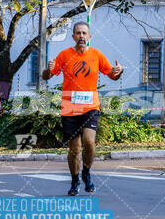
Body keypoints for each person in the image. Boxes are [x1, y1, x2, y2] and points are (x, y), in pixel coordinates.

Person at [43, 21, 123, 196]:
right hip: (69, 108)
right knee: (74, 149)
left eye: (84, 33)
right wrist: (48, 70)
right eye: (78, 33)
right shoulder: (64, 55)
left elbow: (112, 76)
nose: (81, 36)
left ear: (89, 37)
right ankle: (74, 180)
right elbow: (47, 76)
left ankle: (86, 172)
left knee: (89, 142)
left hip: (90, 107)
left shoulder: (97, 55)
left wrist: (120, 71)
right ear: (73, 36)